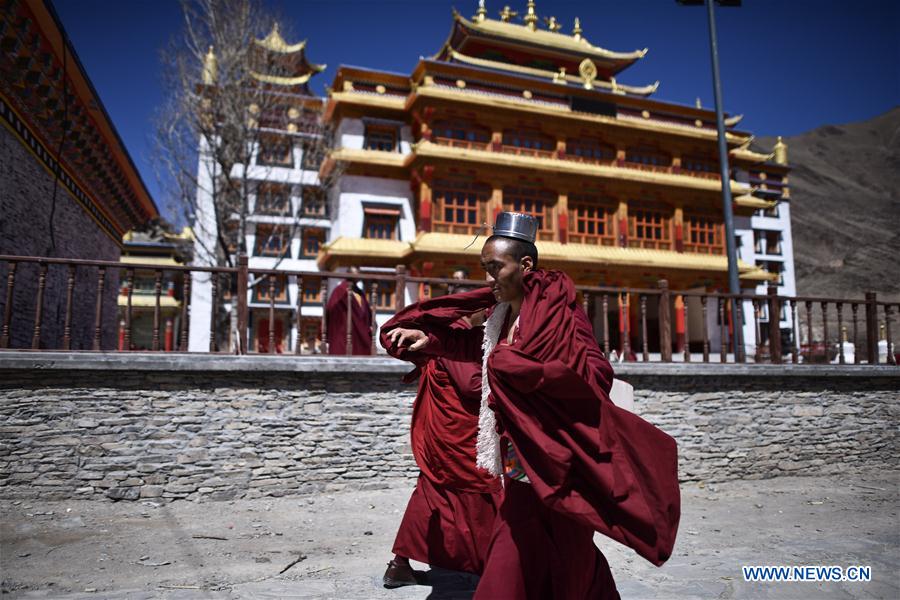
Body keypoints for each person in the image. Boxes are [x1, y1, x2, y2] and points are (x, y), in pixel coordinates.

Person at [383, 212, 681, 600]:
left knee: (563, 546)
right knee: (528, 544)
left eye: (495, 268)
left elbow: (595, 372)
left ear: (525, 265)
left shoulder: (557, 310)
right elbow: (482, 352)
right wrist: (431, 341)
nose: (488, 279)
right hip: (519, 454)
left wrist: (527, 373)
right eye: (484, 269)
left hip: (557, 453)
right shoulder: (500, 313)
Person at [381, 309, 502, 587]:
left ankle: (400, 564)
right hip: (458, 434)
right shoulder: (457, 336)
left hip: (444, 430)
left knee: (431, 493)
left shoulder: (448, 334)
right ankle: (495, 564)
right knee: (484, 492)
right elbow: (471, 384)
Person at [325, 266, 373, 355]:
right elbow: (330, 309)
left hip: (360, 333)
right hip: (343, 332)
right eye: (355, 275)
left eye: (359, 275)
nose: (358, 277)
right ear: (348, 275)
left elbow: (366, 313)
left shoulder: (359, 292)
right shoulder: (340, 290)